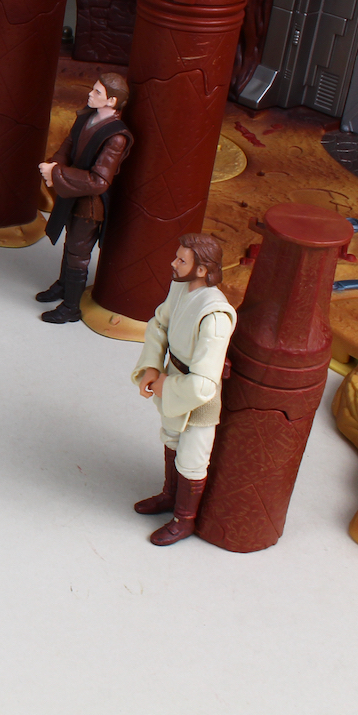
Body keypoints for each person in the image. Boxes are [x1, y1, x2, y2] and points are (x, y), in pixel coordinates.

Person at [130, 234, 237, 546]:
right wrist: (152, 366)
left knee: (192, 458)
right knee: (171, 438)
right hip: (174, 378)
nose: (173, 263)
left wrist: (167, 385)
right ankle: (169, 495)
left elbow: (204, 383)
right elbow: (159, 324)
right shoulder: (180, 287)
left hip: (197, 397)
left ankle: (184, 519)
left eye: (181, 260)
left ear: (202, 270)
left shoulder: (215, 316)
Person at [36, 72, 131, 323]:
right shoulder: (86, 117)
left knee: (79, 252)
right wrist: (54, 165)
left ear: (111, 101)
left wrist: (57, 174)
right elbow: (67, 146)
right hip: (71, 193)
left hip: (89, 205)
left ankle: (71, 307)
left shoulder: (116, 136)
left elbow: (99, 181)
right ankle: (63, 285)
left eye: (97, 92)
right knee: (71, 244)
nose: (90, 94)